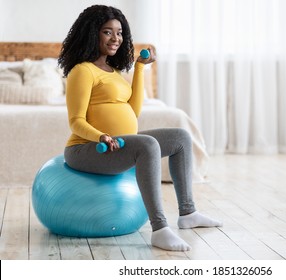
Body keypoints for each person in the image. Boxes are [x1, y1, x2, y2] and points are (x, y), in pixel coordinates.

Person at [58, 5, 222, 251]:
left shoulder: (113, 72)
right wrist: (101, 135)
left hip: (118, 142)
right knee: (147, 144)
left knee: (180, 137)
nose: (116, 39)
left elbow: (133, 112)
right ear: (93, 34)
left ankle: (188, 213)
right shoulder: (82, 71)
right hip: (86, 148)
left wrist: (140, 68)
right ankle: (159, 229)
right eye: (107, 32)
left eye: (120, 33)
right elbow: (75, 121)